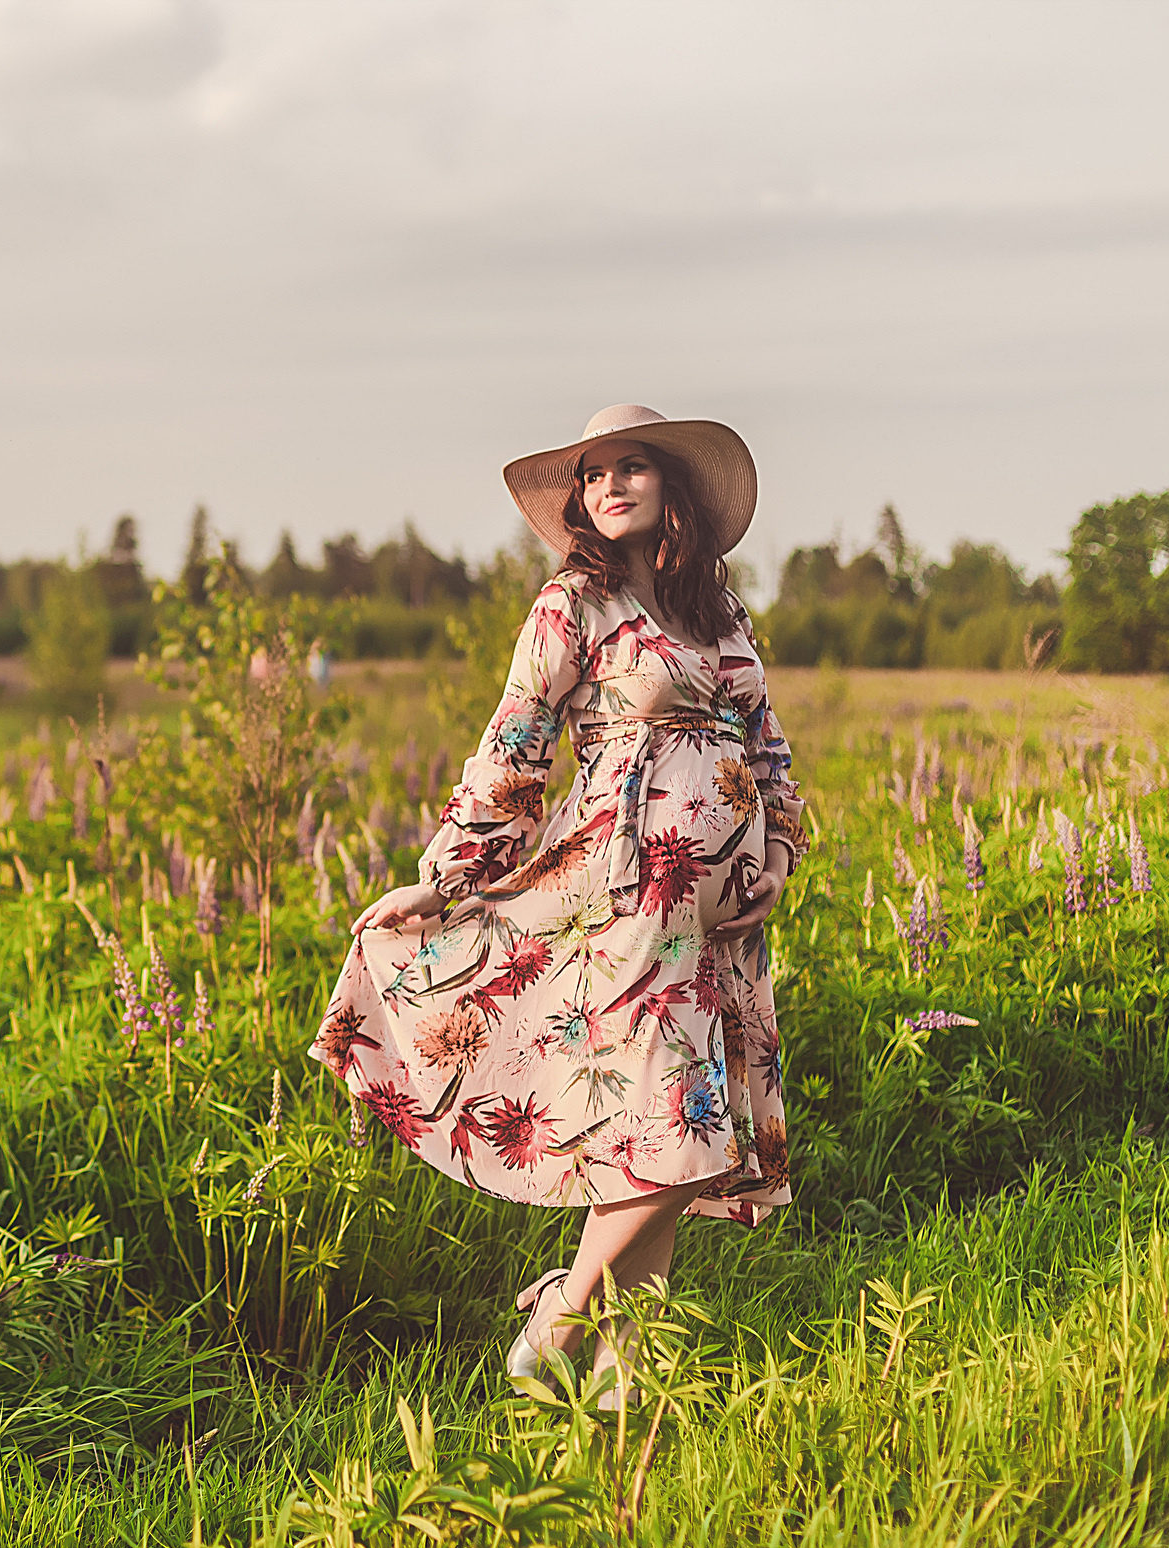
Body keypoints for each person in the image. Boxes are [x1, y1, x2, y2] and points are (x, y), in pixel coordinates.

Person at [308, 403, 801, 1404]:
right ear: (578, 499)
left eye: (631, 468)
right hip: (621, 893)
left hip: (717, 916)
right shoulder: (567, 607)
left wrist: (777, 850)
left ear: (670, 487)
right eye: (593, 473)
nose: (610, 485)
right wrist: (441, 877)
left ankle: (625, 1382)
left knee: (653, 1133)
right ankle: (563, 1313)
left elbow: (767, 747)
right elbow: (513, 747)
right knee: (682, 1126)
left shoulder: (717, 612)